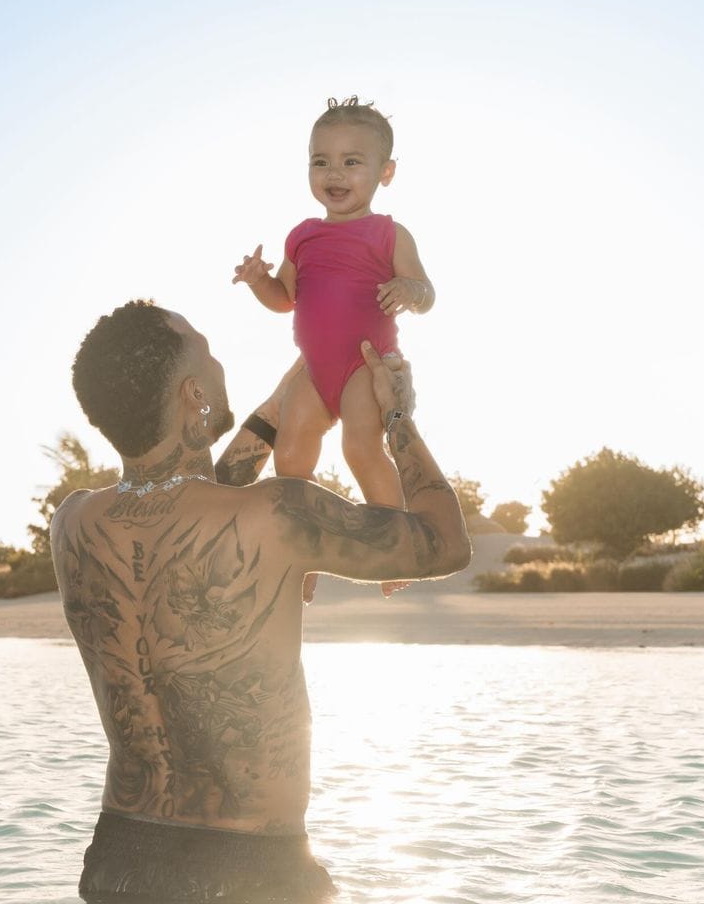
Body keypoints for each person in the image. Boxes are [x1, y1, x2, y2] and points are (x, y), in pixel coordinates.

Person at [52, 299, 470, 903]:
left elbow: (188, 508)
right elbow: (445, 543)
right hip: (251, 871)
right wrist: (397, 414)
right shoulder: (279, 512)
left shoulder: (73, 523)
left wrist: (276, 412)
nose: (223, 364)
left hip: (119, 863)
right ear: (194, 394)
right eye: (210, 352)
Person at [233, 97, 435, 600]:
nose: (334, 172)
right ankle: (304, 554)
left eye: (352, 161)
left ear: (385, 172)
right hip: (315, 370)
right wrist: (260, 282)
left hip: (365, 369)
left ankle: (393, 546)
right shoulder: (302, 236)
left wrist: (409, 291)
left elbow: (427, 293)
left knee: (360, 448)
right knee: (292, 450)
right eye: (321, 160)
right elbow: (285, 300)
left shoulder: (388, 233)